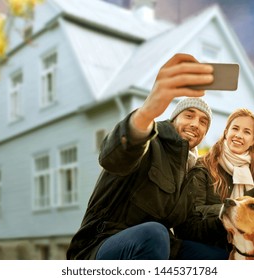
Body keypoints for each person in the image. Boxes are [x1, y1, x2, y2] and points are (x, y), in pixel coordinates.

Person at [66, 53, 228, 260]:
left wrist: (231, 216)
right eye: (189, 115)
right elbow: (113, 157)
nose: (196, 124)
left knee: (220, 257)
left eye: (203, 121)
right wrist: (147, 112)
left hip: (160, 247)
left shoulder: (192, 170)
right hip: (101, 244)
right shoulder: (149, 140)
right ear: (173, 119)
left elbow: (188, 226)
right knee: (154, 232)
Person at [174, 108, 254, 252]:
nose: (239, 135)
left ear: (253, 141)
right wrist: (229, 212)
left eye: (247, 132)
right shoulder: (203, 166)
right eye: (235, 128)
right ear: (226, 132)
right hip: (204, 245)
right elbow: (188, 221)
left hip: (241, 248)